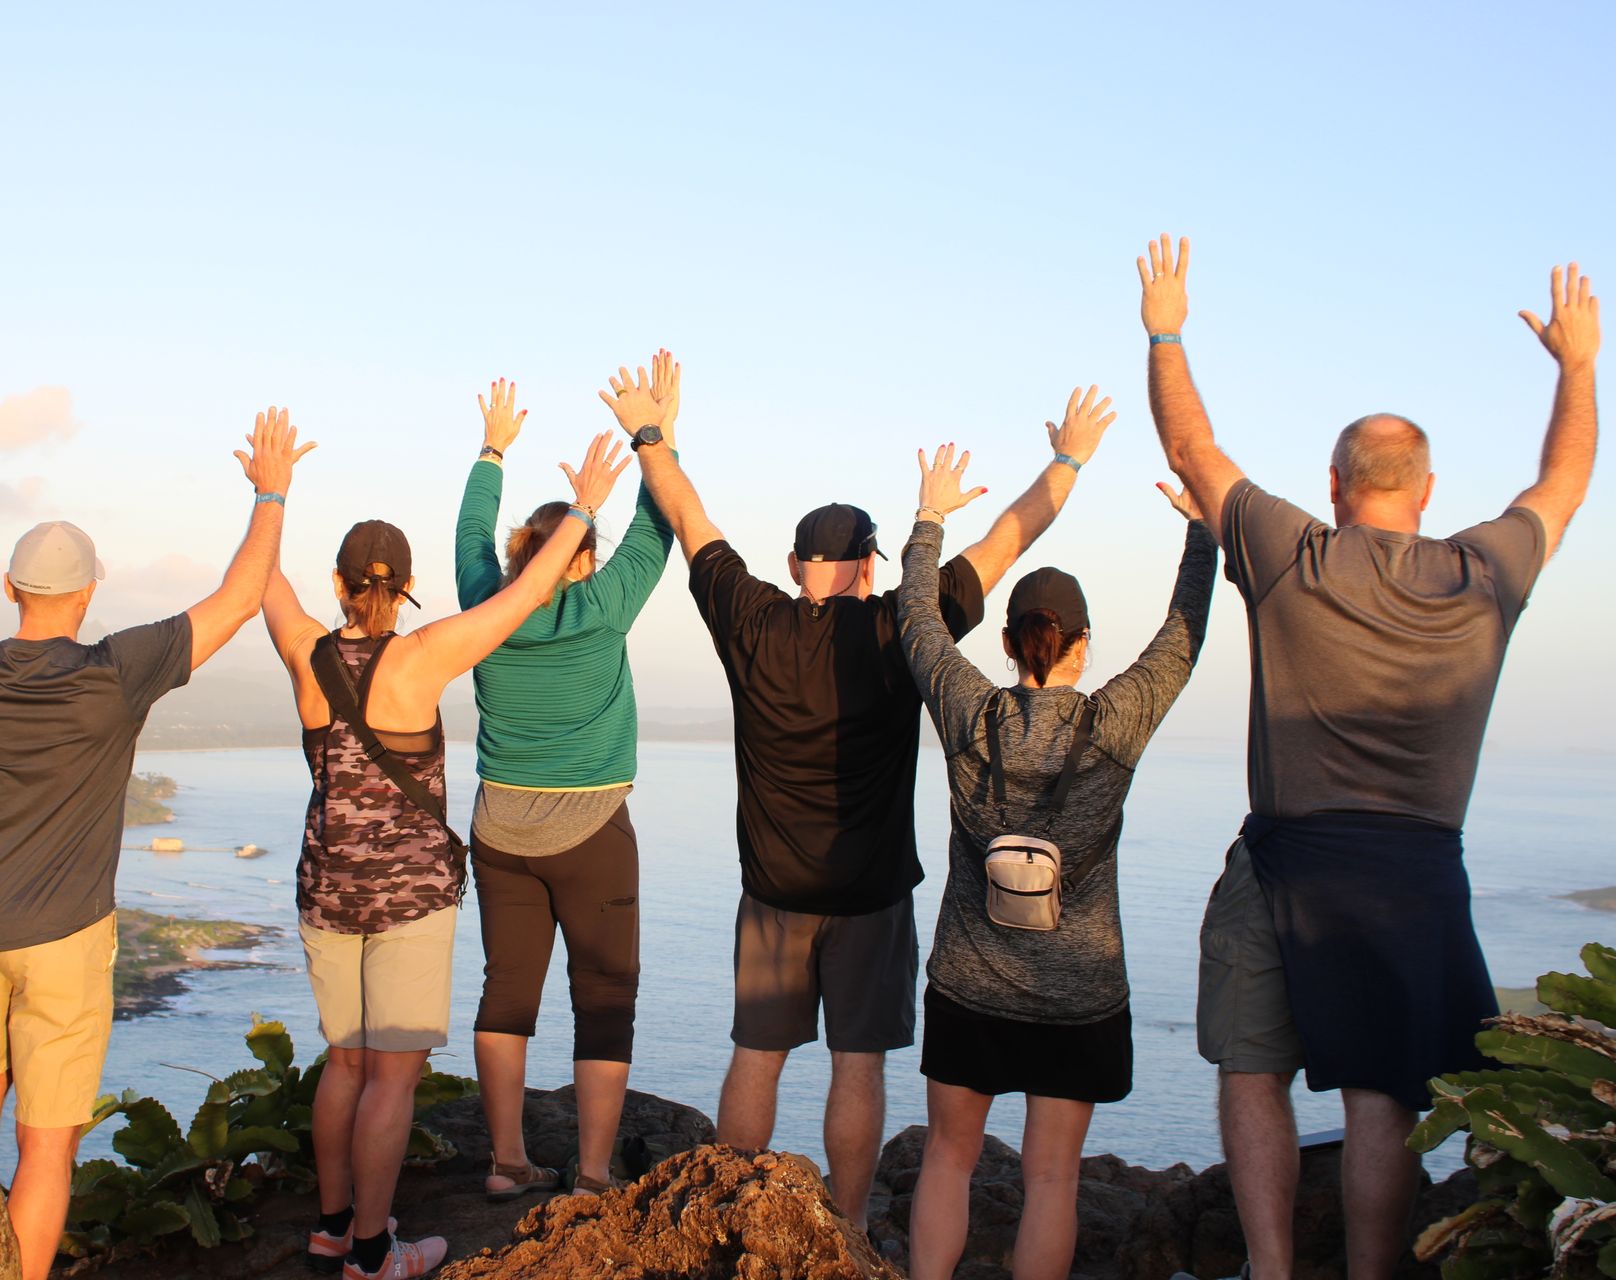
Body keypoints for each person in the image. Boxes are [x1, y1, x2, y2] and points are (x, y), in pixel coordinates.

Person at [1139, 235, 1599, 1280]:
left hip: (1284, 861)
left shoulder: (1293, 555)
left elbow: (1192, 446)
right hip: (1414, 875)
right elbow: (1564, 480)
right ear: (1427, 489)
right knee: (1382, 1094)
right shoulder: (1485, 575)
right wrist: (1578, 365)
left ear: (1336, 483)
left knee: (1253, 1069)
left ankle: (1269, 1265)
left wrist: (1166, 327)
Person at [596, 350, 1118, 1228]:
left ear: (796, 564)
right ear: (873, 567)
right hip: (871, 895)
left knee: (756, 1058)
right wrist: (1066, 460)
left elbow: (688, 517)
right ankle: (844, 1223)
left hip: (772, 894)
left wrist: (654, 434)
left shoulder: (750, 616)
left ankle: (725, 1211)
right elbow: (1008, 543)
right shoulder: (899, 629)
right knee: (858, 1067)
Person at [0, 409, 314, 1280]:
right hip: (65, 939)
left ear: (12, 591)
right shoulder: (115, 674)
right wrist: (270, 489)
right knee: (47, 1149)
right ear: (88, 594)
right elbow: (240, 599)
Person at [262, 430, 633, 1278]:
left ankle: (328, 1228)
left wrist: (270, 494)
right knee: (392, 1077)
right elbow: (531, 588)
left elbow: (259, 581)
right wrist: (582, 509)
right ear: (407, 591)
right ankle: (371, 1253)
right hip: (409, 902)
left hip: (326, 892)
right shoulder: (423, 657)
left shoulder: (305, 653)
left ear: (340, 586)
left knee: (345, 1065)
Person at [897, 445, 1217, 1280]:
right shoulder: (1116, 721)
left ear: (1007, 643)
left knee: (947, 1161)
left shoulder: (971, 711)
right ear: (1080, 644)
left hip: (969, 981)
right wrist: (1201, 536)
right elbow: (1183, 638)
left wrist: (930, 519)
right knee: (1051, 1178)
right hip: (1080, 996)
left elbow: (918, 622)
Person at [454, 379, 674, 1200]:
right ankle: (588, 1174)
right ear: (579, 557)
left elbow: (470, 531)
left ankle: (506, 1160)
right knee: (605, 997)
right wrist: (657, 434)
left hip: (501, 830)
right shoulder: (602, 605)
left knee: (506, 990)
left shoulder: (486, 606)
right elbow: (659, 527)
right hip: (592, 832)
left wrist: (492, 448)